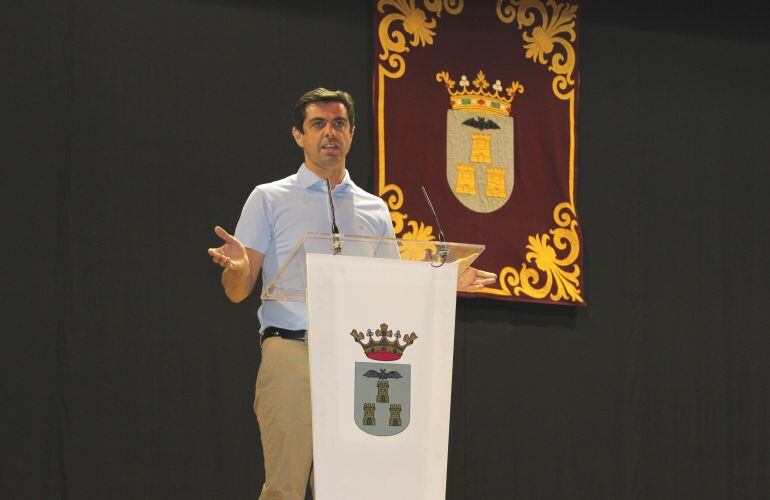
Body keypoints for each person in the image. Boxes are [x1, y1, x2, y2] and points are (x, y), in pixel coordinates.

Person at [208, 88, 496, 500]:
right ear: (298, 135)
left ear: (352, 132)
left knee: (352, 487)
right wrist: (236, 270)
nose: (330, 132)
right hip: (292, 352)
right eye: (318, 124)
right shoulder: (269, 198)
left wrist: (446, 280)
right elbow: (238, 292)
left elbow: (390, 288)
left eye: (339, 123)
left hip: (357, 362)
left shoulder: (374, 209)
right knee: (284, 487)